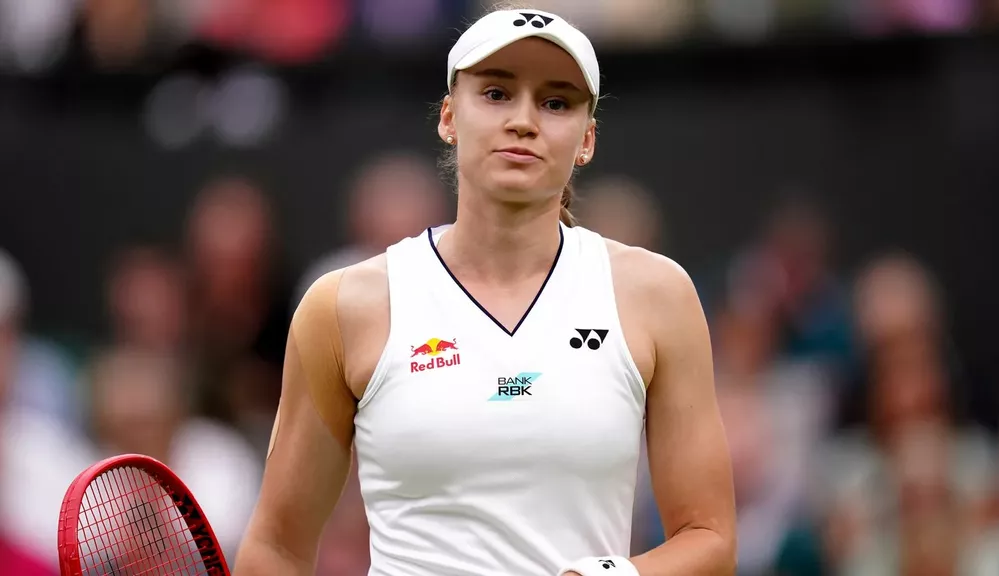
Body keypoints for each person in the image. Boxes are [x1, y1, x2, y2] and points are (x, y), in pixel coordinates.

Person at [233, 6, 736, 576]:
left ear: (587, 139)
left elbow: (711, 541)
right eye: (496, 94)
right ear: (449, 117)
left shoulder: (658, 296)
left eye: (556, 102)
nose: (524, 120)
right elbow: (276, 548)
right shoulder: (344, 307)